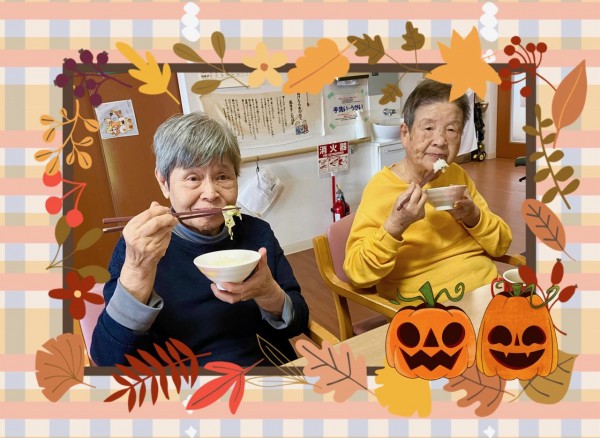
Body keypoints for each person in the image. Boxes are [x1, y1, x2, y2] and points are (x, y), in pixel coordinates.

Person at [91, 112, 309, 366]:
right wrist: (138, 272)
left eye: (223, 177)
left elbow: (298, 322)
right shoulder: (140, 249)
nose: (211, 193)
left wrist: (268, 292)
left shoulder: (257, 233)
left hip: (272, 370)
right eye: (193, 178)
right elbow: (108, 360)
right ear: (164, 182)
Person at [344, 79, 512, 300]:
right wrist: (395, 226)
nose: (440, 140)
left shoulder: (456, 174)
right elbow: (357, 274)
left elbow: (501, 245)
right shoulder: (380, 188)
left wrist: (473, 216)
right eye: (429, 128)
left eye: (451, 130)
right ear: (405, 134)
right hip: (426, 305)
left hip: (488, 290)